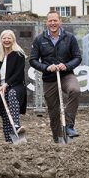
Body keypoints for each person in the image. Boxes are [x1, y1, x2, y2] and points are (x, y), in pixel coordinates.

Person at [29, 11, 82, 142]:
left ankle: (68, 125)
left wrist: (66, 66)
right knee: (54, 111)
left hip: (66, 75)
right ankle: (58, 139)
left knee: (75, 90)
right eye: (50, 21)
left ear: (60, 22)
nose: (53, 23)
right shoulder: (39, 39)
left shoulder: (69, 38)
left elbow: (77, 57)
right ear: (46, 23)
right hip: (49, 78)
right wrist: (46, 68)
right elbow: (33, 60)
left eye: (55, 20)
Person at [0, 29, 27, 143]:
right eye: (4, 38)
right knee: (5, 114)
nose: (6, 40)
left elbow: (18, 73)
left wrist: (7, 83)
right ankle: (9, 141)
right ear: (1, 40)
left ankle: (16, 124)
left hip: (15, 85)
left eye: (9, 38)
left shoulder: (19, 54)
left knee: (12, 94)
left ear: (13, 40)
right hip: (1, 87)